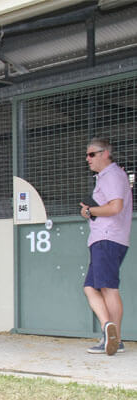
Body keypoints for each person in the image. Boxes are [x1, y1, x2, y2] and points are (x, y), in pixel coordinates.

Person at [80, 138, 132, 356]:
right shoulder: (110, 176)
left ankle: (114, 337)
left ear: (105, 153)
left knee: (108, 287)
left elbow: (115, 206)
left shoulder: (111, 175)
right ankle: (108, 329)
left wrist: (91, 211)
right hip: (107, 238)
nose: (87, 159)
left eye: (92, 154)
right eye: (87, 155)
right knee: (91, 287)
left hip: (107, 238)